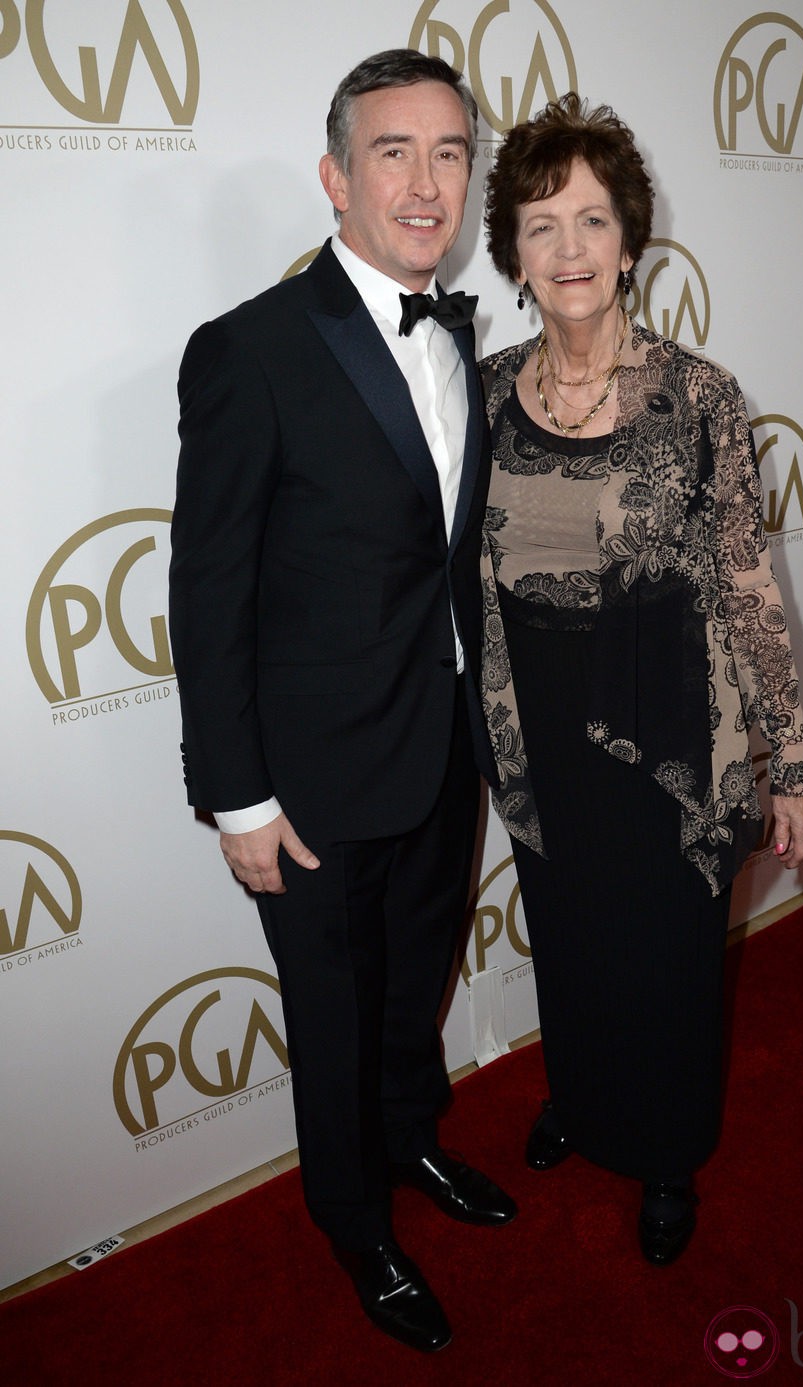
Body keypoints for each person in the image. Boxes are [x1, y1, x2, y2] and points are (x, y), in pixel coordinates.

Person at [169, 49, 516, 1354]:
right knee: (330, 1006)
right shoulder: (250, 350)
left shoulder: (466, 335)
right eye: (393, 151)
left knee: (410, 982)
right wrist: (238, 795)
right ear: (337, 176)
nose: (426, 182)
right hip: (307, 783)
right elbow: (209, 592)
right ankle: (353, 1219)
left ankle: (414, 1142)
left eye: (449, 153)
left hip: (441, 751)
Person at [479, 93, 803, 1266]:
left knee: (667, 959)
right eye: (538, 225)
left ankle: (666, 1148)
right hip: (537, 726)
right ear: (512, 256)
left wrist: (790, 761)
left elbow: (745, 583)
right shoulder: (482, 394)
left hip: (671, 731)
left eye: (588, 219)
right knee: (567, 938)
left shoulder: (698, 396)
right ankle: (580, 1097)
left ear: (629, 236)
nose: (567, 248)